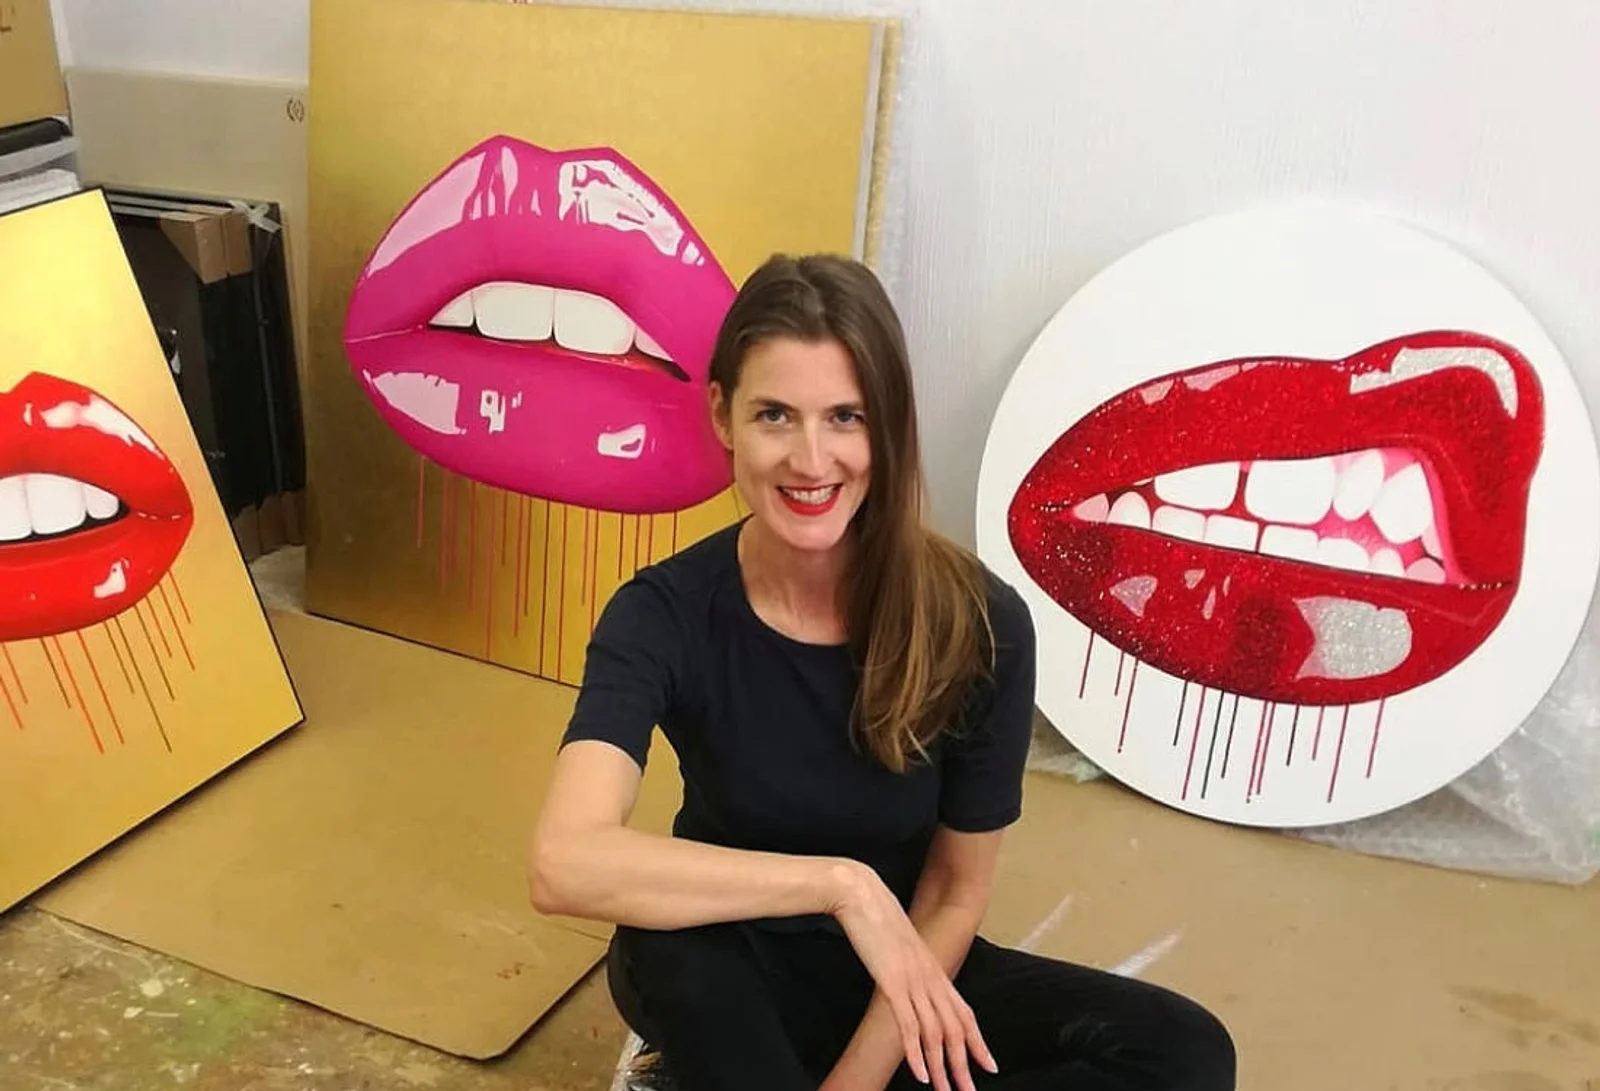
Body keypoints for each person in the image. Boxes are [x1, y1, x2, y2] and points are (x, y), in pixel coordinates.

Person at [529, 254, 1237, 1091]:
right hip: (723, 959)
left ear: (889, 424)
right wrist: (841, 887)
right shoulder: (663, 613)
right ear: (722, 414)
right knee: (669, 949)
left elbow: (952, 892)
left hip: (899, 965)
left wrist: (857, 1078)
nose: (811, 458)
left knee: (1184, 1052)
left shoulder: (982, 624)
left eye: (846, 417)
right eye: (774, 415)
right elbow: (564, 862)